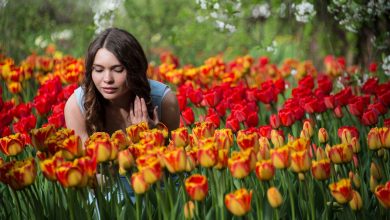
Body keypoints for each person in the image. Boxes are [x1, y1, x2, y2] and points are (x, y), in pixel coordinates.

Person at [64, 27, 180, 144]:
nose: (107, 79)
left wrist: (151, 136)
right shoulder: (76, 106)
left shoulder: (165, 101)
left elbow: (174, 156)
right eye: (99, 70)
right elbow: (83, 160)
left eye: (118, 70)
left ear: (135, 69)